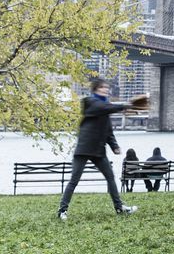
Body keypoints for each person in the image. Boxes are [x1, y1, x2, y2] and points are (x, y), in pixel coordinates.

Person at [57, 79, 138, 220]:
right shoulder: (90, 103)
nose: (105, 90)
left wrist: (114, 146)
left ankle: (119, 208)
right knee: (74, 180)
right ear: (95, 89)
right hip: (84, 148)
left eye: (106, 88)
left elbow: (108, 130)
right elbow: (103, 107)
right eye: (102, 87)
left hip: (98, 151)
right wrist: (124, 106)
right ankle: (62, 211)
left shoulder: (105, 107)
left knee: (110, 177)